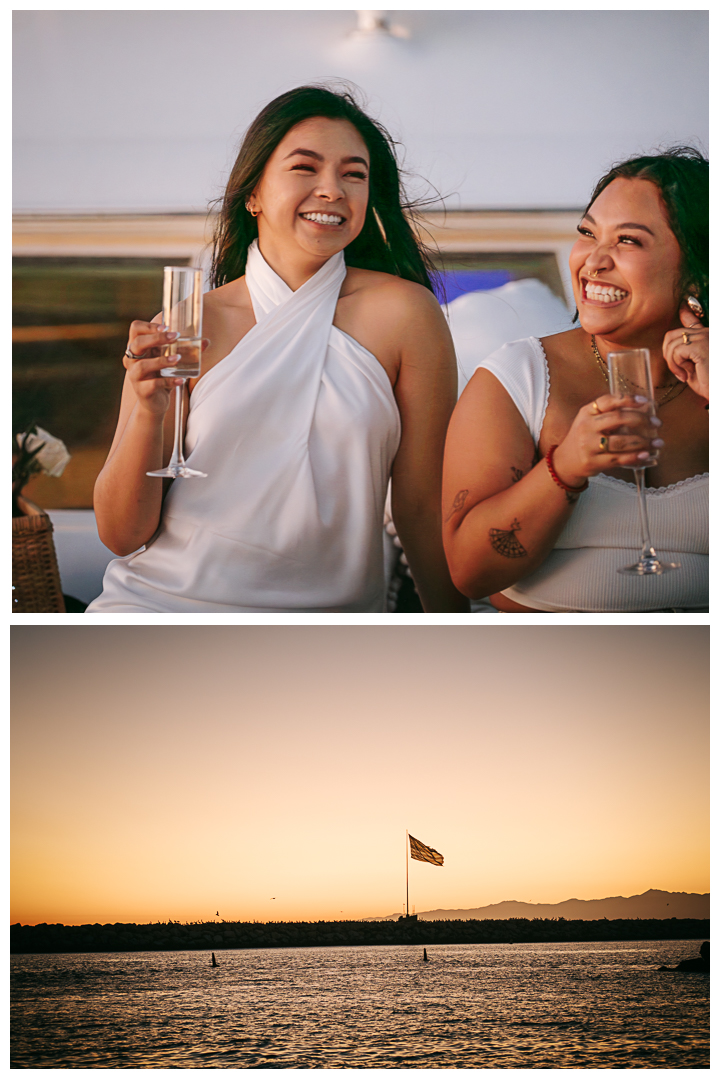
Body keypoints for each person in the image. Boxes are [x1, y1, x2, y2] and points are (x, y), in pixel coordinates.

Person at [88, 85, 467, 613]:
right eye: (305, 168)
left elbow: (423, 504)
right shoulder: (189, 323)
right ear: (253, 194)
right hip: (161, 605)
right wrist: (149, 414)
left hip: (330, 624)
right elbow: (121, 534)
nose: (332, 189)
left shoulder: (405, 315)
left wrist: (454, 630)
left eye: (353, 174)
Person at [442, 147, 708, 612]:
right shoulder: (517, 378)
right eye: (587, 233)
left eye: (628, 241)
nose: (593, 261)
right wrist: (564, 468)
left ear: (695, 270)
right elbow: (470, 573)